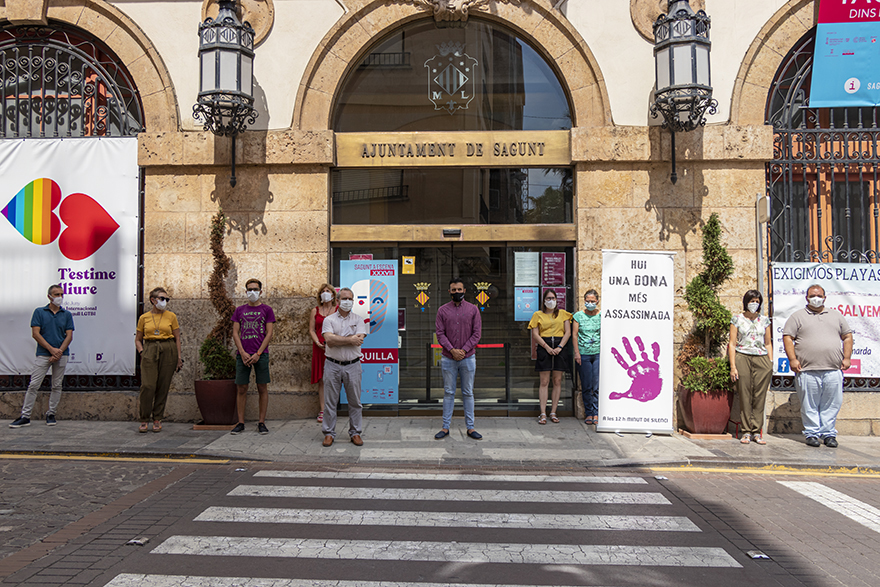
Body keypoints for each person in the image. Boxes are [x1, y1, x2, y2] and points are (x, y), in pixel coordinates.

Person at [783, 284, 853, 448]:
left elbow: (847, 336)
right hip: (807, 370)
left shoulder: (836, 316)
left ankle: (828, 434)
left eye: (819, 295)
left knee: (832, 403)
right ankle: (812, 433)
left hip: (833, 369)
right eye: (812, 295)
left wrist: (847, 357)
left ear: (824, 297)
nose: (816, 298)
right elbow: (787, 337)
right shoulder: (797, 317)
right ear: (806, 298)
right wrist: (792, 359)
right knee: (809, 404)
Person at [9, 285, 75, 428]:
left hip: (61, 355)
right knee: (34, 385)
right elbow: (36, 334)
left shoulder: (67, 314)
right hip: (44, 354)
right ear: (49, 296)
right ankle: (25, 416)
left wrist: (58, 352)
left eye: (61, 294)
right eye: (56, 294)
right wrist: (52, 350)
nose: (60, 297)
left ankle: (51, 413)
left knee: (57, 385)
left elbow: (69, 336)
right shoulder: (39, 312)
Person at [434, 278, 483, 440]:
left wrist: (463, 350)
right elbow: (439, 334)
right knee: (448, 392)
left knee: (468, 393)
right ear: (449, 292)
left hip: (468, 357)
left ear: (464, 291)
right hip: (448, 358)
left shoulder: (473, 310)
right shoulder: (442, 310)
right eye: (454, 290)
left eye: (459, 290)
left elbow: (477, 334)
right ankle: (445, 427)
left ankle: (470, 427)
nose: (457, 292)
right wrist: (452, 350)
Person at [321, 287, 367, 447]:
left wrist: (337, 338)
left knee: (355, 402)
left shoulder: (359, 319)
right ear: (338, 301)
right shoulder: (329, 320)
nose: (348, 302)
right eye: (345, 299)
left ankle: (355, 433)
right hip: (332, 365)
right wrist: (349, 339)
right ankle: (328, 433)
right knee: (330, 402)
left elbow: (359, 339)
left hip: (353, 365)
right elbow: (329, 341)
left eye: (350, 299)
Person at [230, 278, 276, 435]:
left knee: (262, 387)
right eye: (249, 289)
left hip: (260, 355)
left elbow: (269, 333)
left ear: (261, 292)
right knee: (241, 388)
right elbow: (235, 332)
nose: (252, 292)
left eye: (255, 289)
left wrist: (258, 353)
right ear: (245, 291)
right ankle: (240, 422)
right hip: (242, 355)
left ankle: (261, 422)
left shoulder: (267, 310)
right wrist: (242, 352)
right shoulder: (239, 310)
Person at [134, 287, 182, 433]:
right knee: (148, 386)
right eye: (162, 299)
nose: (164, 302)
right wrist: (142, 351)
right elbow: (137, 339)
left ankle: (157, 418)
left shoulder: (171, 316)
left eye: (166, 299)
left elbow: (177, 338)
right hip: (150, 348)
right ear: (153, 300)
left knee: (163, 385)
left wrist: (178, 357)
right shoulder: (144, 318)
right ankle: (144, 418)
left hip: (168, 348)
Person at [729, 289, 773, 445]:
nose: (754, 304)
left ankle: (757, 432)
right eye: (751, 301)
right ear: (745, 302)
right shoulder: (737, 319)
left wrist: (771, 362)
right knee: (745, 394)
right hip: (743, 356)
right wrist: (733, 366)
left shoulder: (765, 320)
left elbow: (768, 343)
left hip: (761, 358)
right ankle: (746, 431)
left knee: (759, 396)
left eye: (757, 301)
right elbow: (732, 343)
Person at [528, 289, 572, 424]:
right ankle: (542, 413)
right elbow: (535, 334)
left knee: (557, 381)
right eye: (548, 298)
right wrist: (547, 347)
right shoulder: (537, 314)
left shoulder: (563, 314)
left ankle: (553, 411)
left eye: (553, 298)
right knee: (544, 381)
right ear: (544, 301)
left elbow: (568, 332)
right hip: (544, 346)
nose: (551, 301)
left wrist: (559, 347)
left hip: (560, 347)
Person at [309, 284, 337, 424]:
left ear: (333, 295)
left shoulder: (338, 310)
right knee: (322, 380)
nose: (325, 293)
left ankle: (333, 409)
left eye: (328, 291)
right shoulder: (315, 310)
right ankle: (322, 410)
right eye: (323, 292)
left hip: (334, 347)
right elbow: (312, 330)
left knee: (334, 379)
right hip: (319, 347)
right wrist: (317, 342)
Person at [572, 289, 601, 426]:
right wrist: (576, 353)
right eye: (587, 301)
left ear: (597, 301)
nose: (590, 303)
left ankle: (596, 412)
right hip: (583, 354)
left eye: (592, 301)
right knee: (586, 385)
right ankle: (588, 412)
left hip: (598, 354)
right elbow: (574, 335)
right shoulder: (578, 316)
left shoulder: (601, 315)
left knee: (596, 385)